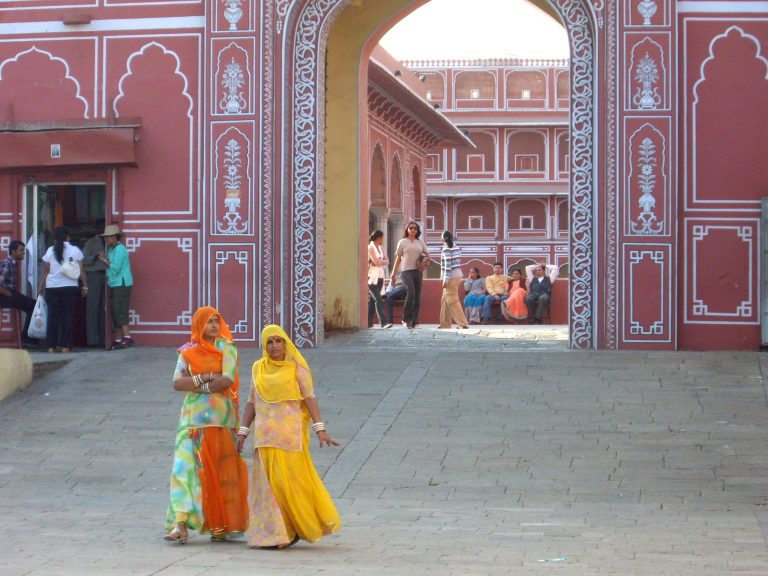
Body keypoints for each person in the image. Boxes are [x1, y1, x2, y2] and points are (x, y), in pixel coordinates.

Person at [237, 324, 341, 549]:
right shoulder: (258, 368)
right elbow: (251, 402)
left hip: (289, 434)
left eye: (278, 340)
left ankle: (298, 525)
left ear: (285, 342)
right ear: (264, 346)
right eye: (269, 342)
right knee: (269, 485)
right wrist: (242, 433)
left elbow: (309, 398)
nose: (274, 346)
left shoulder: (297, 367)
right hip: (264, 435)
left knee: (288, 483)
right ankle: (276, 533)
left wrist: (320, 429)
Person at [164, 306, 248, 544]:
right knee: (182, 470)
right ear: (199, 324)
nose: (213, 326)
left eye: (216, 321)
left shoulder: (227, 347)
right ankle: (179, 524)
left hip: (220, 420)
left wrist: (199, 385)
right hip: (191, 421)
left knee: (220, 473)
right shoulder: (187, 351)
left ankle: (220, 525)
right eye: (209, 322)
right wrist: (206, 377)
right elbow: (177, 383)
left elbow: (227, 379)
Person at [38, 227, 86, 353]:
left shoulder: (50, 250)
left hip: (52, 287)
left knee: (52, 317)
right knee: (67, 317)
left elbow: (46, 270)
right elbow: (81, 270)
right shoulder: (75, 250)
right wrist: (85, 285)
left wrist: (41, 286)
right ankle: (66, 346)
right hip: (69, 287)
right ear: (68, 237)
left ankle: (50, 346)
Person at [98, 225, 134, 350]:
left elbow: (115, 268)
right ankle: (119, 338)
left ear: (114, 237)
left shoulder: (120, 250)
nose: (106, 240)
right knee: (114, 310)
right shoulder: (111, 249)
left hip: (121, 283)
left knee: (120, 309)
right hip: (114, 283)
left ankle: (127, 336)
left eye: (108, 237)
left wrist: (104, 260)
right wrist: (105, 258)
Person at [389, 221, 430, 329]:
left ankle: (415, 321)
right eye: (411, 228)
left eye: (415, 228)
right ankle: (405, 319)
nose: (413, 230)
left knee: (417, 296)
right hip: (406, 271)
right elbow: (398, 259)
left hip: (418, 271)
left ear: (417, 231)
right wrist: (393, 274)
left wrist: (425, 261)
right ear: (407, 229)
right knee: (410, 292)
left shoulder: (420, 242)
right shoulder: (402, 242)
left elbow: (427, 254)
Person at [0, 240, 38, 346]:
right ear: (13, 252)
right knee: (34, 305)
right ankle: (26, 338)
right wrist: (10, 295)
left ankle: (28, 338)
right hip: (4, 296)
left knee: (33, 305)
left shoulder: (13, 264)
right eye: (21, 250)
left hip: (9, 295)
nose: (23, 253)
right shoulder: (7, 265)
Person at [438, 231, 468, 329]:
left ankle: (463, 323)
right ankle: (445, 324)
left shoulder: (446, 249)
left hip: (450, 277)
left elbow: (448, 265)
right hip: (457, 275)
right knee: (445, 300)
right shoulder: (456, 247)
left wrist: (445, 279)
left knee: (452, 300)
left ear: (443, 238)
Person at [82, 229, 106, 347]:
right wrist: (95, 257)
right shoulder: (91, 242)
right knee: (92, 308)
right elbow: (84, 259)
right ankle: (93, 340)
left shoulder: (111, 243)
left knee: (103, 309)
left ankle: (103, 339)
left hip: (106, 275)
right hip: (94, 274)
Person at [367, 230, 392, 329]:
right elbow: (378, 263)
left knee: (374, 301)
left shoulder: (381, 248)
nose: (383, 239)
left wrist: (378, 261)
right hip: (372, 277)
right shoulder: (370, 248)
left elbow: (387, 262)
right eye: (382, 237)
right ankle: (383, 322)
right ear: (379, 238)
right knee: (378, 299)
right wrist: (380, 262)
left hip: (381, 277)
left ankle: (368, 322)